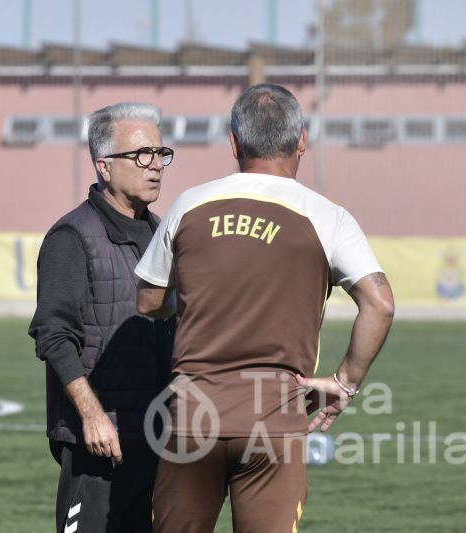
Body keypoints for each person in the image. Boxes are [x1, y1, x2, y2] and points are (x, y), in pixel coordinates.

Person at [135, 83, 395, 533]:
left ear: (234, 143)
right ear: (302, 141)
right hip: (276, 415)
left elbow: (149, 300)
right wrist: (343, 384)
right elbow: (381, 304)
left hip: (194, 414)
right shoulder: (327, 216)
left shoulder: (189, 203)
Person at [29, 102, 176, 533]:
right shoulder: (73, 237)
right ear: (104, 167)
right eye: (141, 155)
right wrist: (92, 415)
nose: (155, 166)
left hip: (156, 439)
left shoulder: (162, 234)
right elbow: (53, 335)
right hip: (97, 442)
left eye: (160, 153)